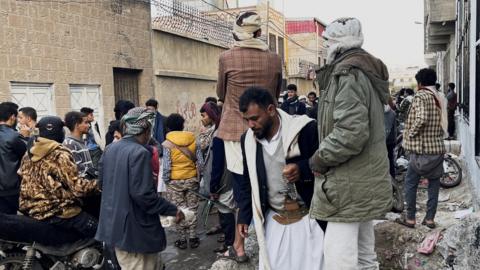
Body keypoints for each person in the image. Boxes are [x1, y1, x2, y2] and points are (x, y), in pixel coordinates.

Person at [309, 17, 392, 269]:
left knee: (339, 257)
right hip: (361, 180)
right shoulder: (362, 70)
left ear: (335, 43)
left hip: (348, 183)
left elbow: (350, 133)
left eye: (326, 41)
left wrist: (319, 159)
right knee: (365, 255)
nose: (325, 46)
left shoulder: (348, 74)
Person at [216, 11, 282, 260]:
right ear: (260, 33)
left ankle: (239, 247)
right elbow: (276, 93)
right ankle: (273, 242)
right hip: (268, 128)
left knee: (243, 188)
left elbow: (221, 92)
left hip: (235, 130)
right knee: (269, 184)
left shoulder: (226, 57)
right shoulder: (274, 59)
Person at [237, 87, 324, 270]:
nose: (251, 125)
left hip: (309, 220)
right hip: (275, 221)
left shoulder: (304, 130)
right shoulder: (248, 140)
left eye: (254, 118)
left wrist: (302, 169)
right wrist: (243, 217)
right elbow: (248, 181)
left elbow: (327, 165)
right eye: (247, 120)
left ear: (270, 110)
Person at [96, 107, 183, 270]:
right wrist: (172, 210)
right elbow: (143, 196)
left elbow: (101, 184)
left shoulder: (109, 149)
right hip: (135, 233)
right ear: (147, 130)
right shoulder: (140, 152)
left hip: (113, 229)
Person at [18, 116, 99, 238]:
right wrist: (99, 184)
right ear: (57, 132)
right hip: (58, 212)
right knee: (100, 232)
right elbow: (78, 189)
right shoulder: (60, 154)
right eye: (62, 130)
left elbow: (21, 176)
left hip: (31, 209)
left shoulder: (28, 153)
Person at [396, 68, 446, 229]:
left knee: (410, 183)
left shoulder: (421, 96)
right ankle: (430, 219)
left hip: (421, 150)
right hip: (437, 148)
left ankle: (410, 218)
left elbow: (422, 118)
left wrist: (410, 133)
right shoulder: (440, 96)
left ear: (420, 83)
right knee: (434, 184)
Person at [161, 113, 204, 250]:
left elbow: (167, 165)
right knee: (192, 208)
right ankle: (193, 237)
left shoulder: (167, 143)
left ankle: (182, 239)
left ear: (168, 128)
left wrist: (166, 180)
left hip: (174, 182)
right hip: (191, 180)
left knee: (178, 210)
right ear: (182, 125)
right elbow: (200, 163)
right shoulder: (193, 140)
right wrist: (198, 177)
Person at [0, 102, 27, 214]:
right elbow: (28, 155)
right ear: (12, 117)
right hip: (10, 190)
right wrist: (27, 138)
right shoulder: (14, 136)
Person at [63, 111, 95, 178]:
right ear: (77, 125)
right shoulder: (70, 144)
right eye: (86, 123)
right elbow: (79, 171)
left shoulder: (81, 142)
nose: (89, 125)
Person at [384, 102, 397, 178]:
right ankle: (392, 178)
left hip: (380, 140)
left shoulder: (378, 111)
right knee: (390, 160)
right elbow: (394, 129)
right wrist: (394, 140)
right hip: (390, 140)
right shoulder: (392, 113)